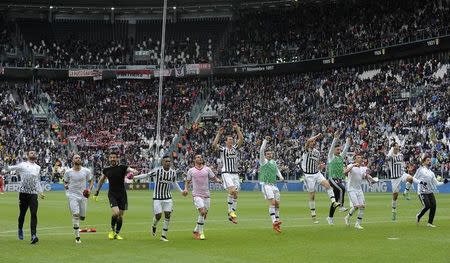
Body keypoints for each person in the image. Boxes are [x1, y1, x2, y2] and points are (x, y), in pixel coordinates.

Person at [133, 155, 185, 241]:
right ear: (162, 162)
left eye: (169, 161)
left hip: (167, 197)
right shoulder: (157, 170)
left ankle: (163, 236)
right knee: (158, 216)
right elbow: (147, 175)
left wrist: (181, 191)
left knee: (168, 215)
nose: (168, 163)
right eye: (166, 161)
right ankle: (154, 225)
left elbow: (174, 183)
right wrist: (135, 177)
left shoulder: (173, 172)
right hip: (157, 196)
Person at [93, 152, 138, 240]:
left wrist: (134, 171)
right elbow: (101, 180)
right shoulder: (106, 169)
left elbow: (130, 169)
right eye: (111, 157)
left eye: (114, 157)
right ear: (109, 159)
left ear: (117, 158)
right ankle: (111, 230)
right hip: (112, 194)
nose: (113, 159)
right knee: (116, 213)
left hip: (122, 194)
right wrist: (96, 192)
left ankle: (117, 234)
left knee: (120, 216)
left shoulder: (122, 167)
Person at [5, 150, 44, 244]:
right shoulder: (22, 165)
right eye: (31, 153)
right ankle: (20, 229)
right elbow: (8, 169)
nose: (33, 154)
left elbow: (37, 180)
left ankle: (33, 235)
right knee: (22, 214)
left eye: (34, 153)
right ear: (27, 156)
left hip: (33, 193)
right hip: (23, 193)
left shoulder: (38, 167)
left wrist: (41, 191)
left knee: (34, 213)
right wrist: (6, 162)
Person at [301, 133, 340, 224]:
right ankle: (313, 213)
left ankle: (333, 202)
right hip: (308, 175)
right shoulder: (306, 150)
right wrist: (317, 136)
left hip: (317, 173)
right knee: (312, 195)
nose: (312, 142)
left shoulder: (317, 152)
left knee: (327, 185)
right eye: (312, 141)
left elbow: (316, 164)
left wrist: (320, 166)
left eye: (314, 141)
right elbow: (307, 141)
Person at [183, 153, 222, 240]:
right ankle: (201, 233)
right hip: (196, 195)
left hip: (206, 195)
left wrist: (218, 180)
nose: (200, 158)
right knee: (202, 212)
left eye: (201, 157)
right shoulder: (191, 170)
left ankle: (196, 230)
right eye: (198, 157)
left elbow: (213, 177)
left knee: (204, 215)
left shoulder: (207, 169)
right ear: (194, 160)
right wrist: (186, 189)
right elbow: (187, 181)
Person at [212, 122, 244, 224]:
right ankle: (231, 212)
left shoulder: (234, 148)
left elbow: (241, 139)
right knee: (233, 191)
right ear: (226, 142)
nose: (231, 141)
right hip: (226, 173)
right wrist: (219, 134)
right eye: (229, 140)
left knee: (235, 194)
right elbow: (214, 145)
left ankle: (231, 213)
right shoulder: (223, 149)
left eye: (232, 139)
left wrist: (237, 129)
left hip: (235, 173)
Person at [63, 154, 94, 244]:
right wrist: (66, 186)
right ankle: (77, 237)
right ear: (73, 161)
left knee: (82, 217)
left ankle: (79, 221)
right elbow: (65, 182)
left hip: (83, 196)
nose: (78, 159)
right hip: (72, 196)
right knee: (75, 214)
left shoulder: (86, 171)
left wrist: (89, 189)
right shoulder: (68, 172)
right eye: (76, 158)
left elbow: (91, 180)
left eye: (79, 158)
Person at [386, 142, 421, 221]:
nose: (397, 148)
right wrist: (391, 151)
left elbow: (402, 164)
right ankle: (394, 211)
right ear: (393, 148)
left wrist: (408, 168)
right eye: (395, 147)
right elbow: (387, 159)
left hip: (402, 174)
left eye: (398, 146)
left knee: (410, 179)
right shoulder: (390, 156)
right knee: (395, 195)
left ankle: (406, 192)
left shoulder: (401, 155)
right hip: (394, 178)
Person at [343, 154, 377, 229]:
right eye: (358, 157)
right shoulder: (350, 166)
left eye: (361, 157)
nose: (360, 158)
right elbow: (345, 173)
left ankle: (357, 224)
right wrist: (353, 165)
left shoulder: (362, 168)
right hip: (351, 189)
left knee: (362, 207)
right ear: (355, 159)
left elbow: (366, 176)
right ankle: (347, 218)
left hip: (359, 189)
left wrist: (370, 181)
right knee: (356, 206)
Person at [413, 156, 448, 227]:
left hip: (429, 192)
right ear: (424, 162)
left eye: (430, 160)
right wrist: (420, 182)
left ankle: (429, 223)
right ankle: (418, 216)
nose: (429, 161)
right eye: (428, 160)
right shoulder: (420, 170)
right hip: (422, 192)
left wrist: (444, 182)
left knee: (434, 205)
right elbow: (413, 178)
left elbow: (436, 183)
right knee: (427, 205)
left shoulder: (431, 173)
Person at [259, 136, 284, 233]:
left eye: (270, 154)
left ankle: (277, 222)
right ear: (265, 155)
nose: (269, 155)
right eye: (268, 154)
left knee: (277, 204)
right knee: (273, 202)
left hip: (274, 185)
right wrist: (265, 141)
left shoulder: (273, 162)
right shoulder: (263, 161)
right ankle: (274, 222)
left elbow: (277, 170)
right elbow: (261, 150)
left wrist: (280, 176)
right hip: (266, 185)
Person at [326, 131, 351, 225]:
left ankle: (330, 217)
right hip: (332, 179)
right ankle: (341, 206)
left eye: (339, 150)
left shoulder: (341, 157)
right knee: (342, 189)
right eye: (337, 150)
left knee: (335, 201)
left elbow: (346, 149)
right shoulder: (331, 157)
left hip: (339, 179)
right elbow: (331, 148)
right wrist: (335, 138)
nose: (339, 151)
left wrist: (348, 141)